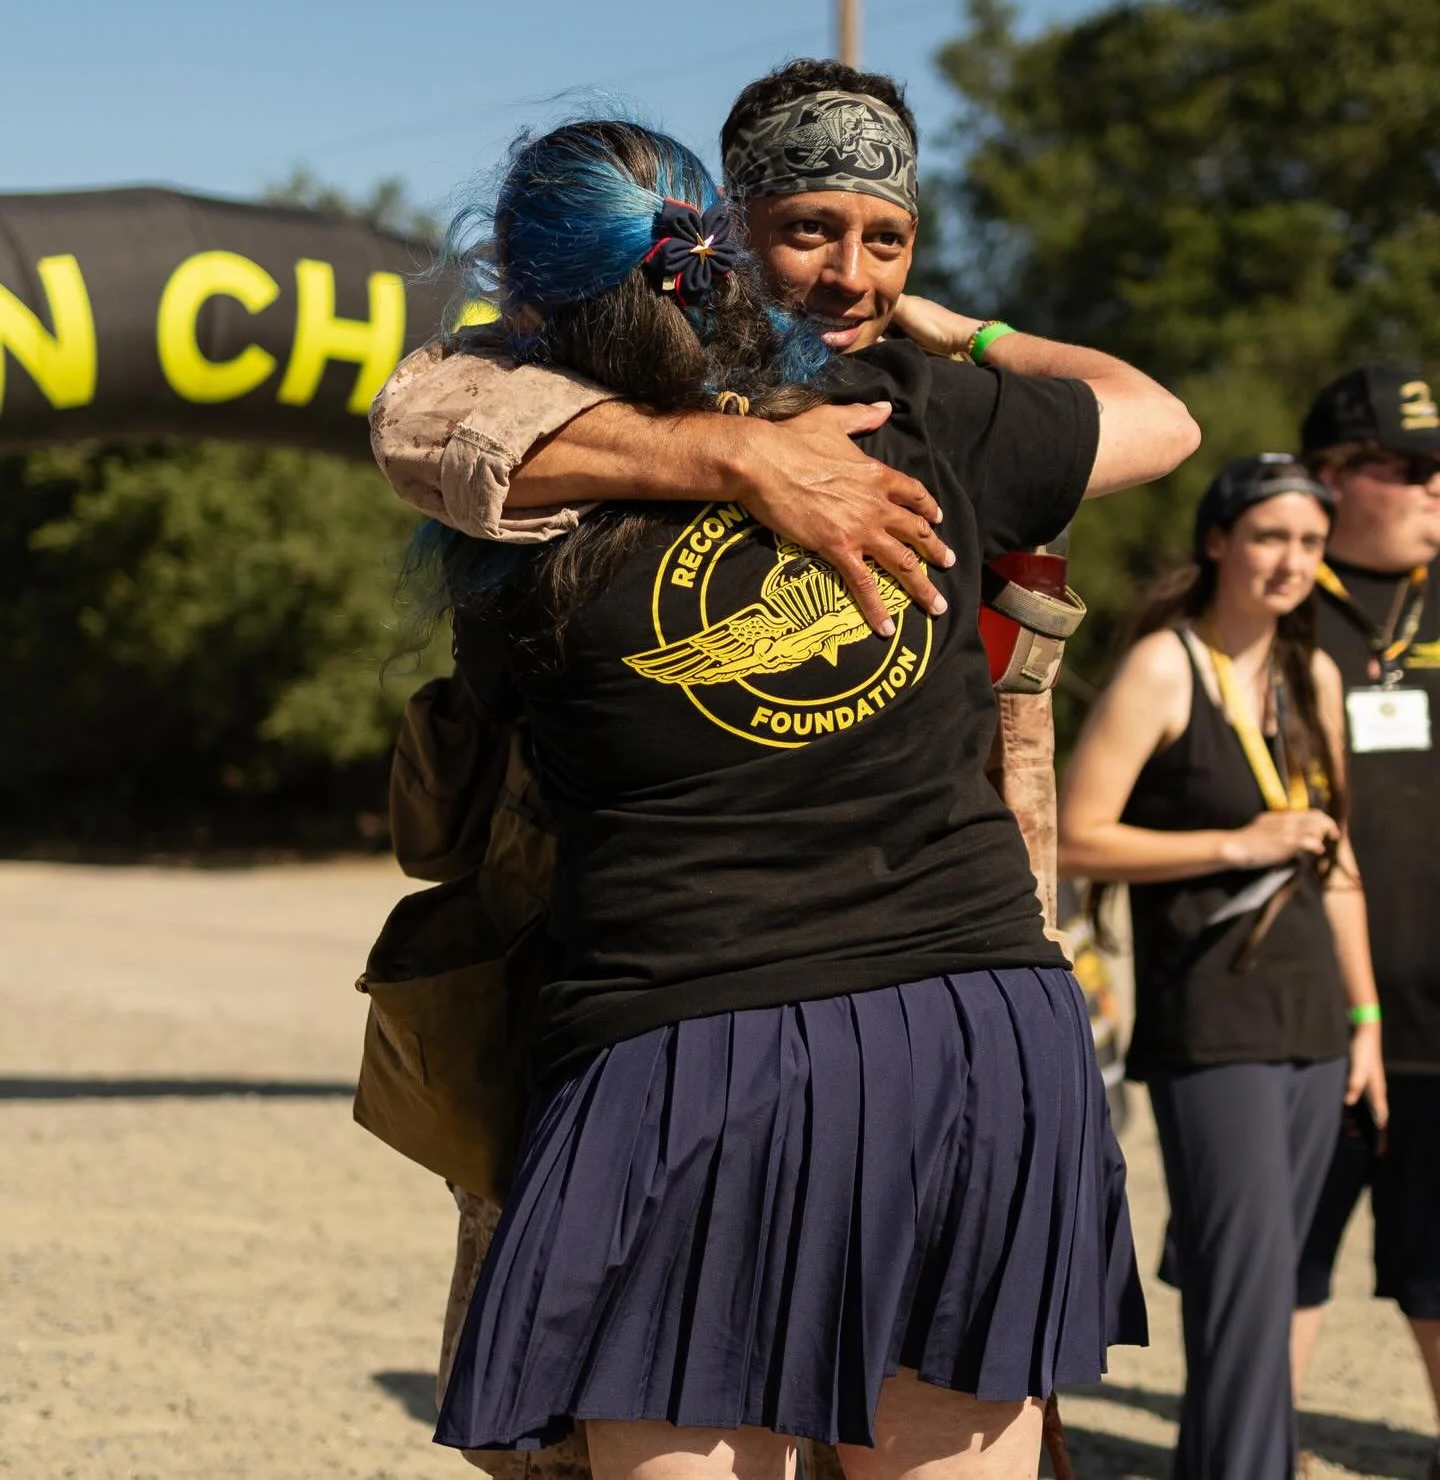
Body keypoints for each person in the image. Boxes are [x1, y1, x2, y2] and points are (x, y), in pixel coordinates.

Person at [401, 111, 1196, 1480]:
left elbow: (424, 412)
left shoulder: (519, 521)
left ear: (519, 288)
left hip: (683, 1048)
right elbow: (1161, 417)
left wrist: (714, 441)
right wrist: (954, 340)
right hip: (973, 1031)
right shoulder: (921, 416)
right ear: (729, 247)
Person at [1057, 454, 1386, 1480]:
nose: (1292, 561)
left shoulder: (1313, 673)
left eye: (1311, 543)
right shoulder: (1165, 665)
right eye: (1271, 537)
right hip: (1212, 1014)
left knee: (1269, 1286)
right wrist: (1235, 842)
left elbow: (1338, 861)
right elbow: (1073, 835)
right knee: (1243, 1291)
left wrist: (1368, 1016)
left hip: (1313, 1015)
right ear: (1218, 542)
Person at [1290, 366, 1440, 1476]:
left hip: (1438, 1023)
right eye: (1412, 465)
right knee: (1278, 1264)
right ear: (1331, 477)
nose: (1437, 487)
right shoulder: (1270, 600)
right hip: (1301, 1014)